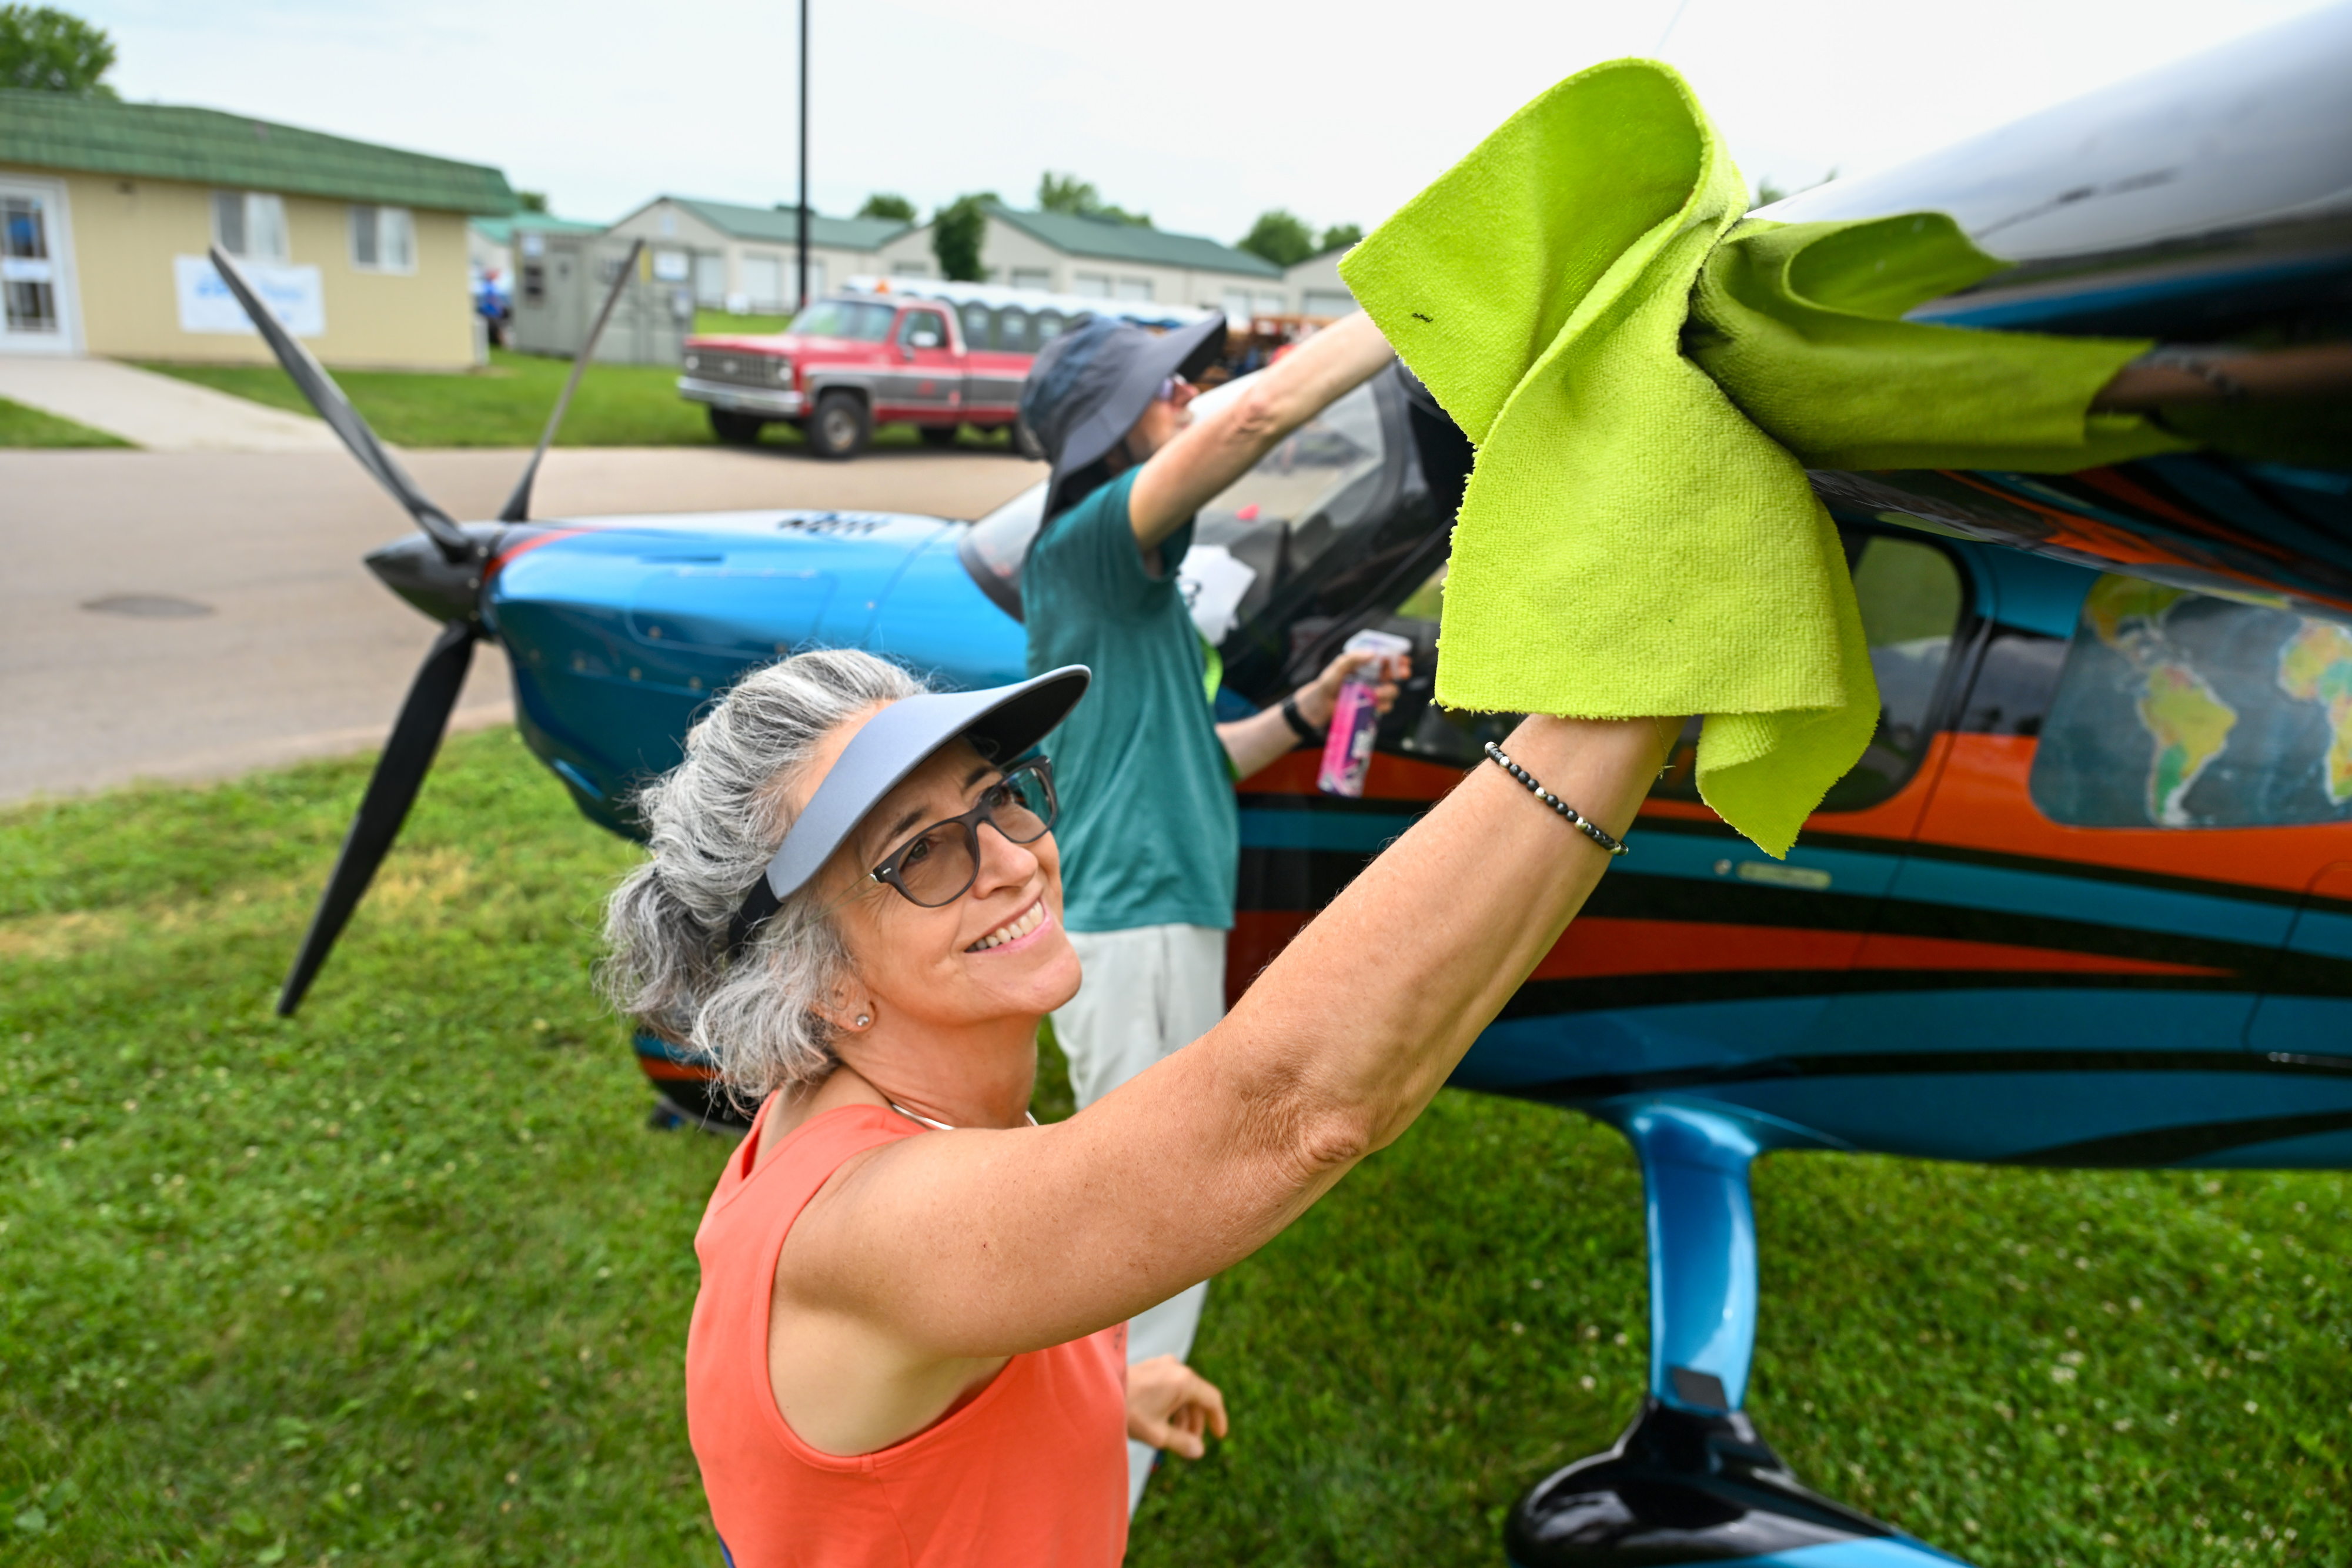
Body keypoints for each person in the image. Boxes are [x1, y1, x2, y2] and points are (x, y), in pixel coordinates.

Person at [603, 634, 1679, 1565]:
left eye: (1000, 797)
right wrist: (1640, 687)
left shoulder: (888, 1125)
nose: (1013, 863)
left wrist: (1086, 1396)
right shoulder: (873, 1230)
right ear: (820, 980)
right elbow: (1289, 1111)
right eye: (921, 851)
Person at [1013, 312, 1405, 1502]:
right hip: (1132, 930)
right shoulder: (1087, 543)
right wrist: (1400, 301)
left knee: (1156, 1211)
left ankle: (1088, 1458)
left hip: (1152, 918)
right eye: (1158, 379)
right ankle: (1090, 1490)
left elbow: (1193, 752)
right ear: (1109, 426)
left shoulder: (1123, 593)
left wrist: (1313, 703)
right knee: (1147, 1225)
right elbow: (1259, 412)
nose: (1184, 388)